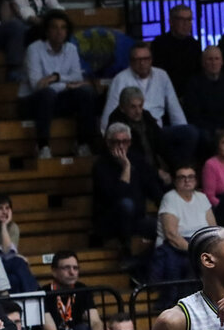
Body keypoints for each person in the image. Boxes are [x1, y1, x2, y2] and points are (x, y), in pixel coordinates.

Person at [101, 42, 198, 168]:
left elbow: (175, 109)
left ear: (151, 60)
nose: (142, 63)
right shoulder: (120, 79)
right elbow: (110, 114)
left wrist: (182, 130)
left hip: (157, 130)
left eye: (146, 59)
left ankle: (181, 173)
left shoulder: (162, 75)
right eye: (138, 59)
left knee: (190, 133)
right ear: (131, 61)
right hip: (133, 131)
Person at [18, 9, 97, 159]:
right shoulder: (34, 49)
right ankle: (43, 146)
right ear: (47, 31)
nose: (59, 32)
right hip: (31, 102)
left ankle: (83, 144)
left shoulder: (71, 49)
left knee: (86, 92)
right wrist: (66, 84)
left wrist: (55, 77)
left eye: (63, 28)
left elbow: (77, 77)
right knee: (47, 94)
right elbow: (37, 85)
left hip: (57, 100)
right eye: (55, 27)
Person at [92, 122, 163, 257]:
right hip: (111, 221)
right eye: (116, 142)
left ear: (130, 143)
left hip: (137, 220)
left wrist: (167, 208)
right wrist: (126, 168)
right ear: (108, 143)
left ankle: (141, 261)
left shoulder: (138, 160)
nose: (121, 146)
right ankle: (126, 249)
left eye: (125, 142)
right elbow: (115, 197)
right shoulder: (100, 166)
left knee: (165, 227)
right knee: (126, 204)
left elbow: (153, 189)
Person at [149, 166, 216, 294]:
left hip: (200, 244)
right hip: (177, 247)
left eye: (190, 177)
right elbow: (172, 235)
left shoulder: (202, 197)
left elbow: (213, 229)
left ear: (196, 181)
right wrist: (195, 251)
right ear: (175, 181)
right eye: (182, 177)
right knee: (190, 265)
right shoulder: (170, 198)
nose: (187, 181)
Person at [41, 250, 103, 330]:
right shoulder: (44, 293)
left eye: (75, 268)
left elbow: (95, 321)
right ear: (54, 271)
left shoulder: (82, 289)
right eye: (66, 268)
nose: (72, 272)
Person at [183, 46, 224, 159]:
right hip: (207, 130)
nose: (213, 62)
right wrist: (216, 130)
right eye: (210, 59)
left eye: (216, 59)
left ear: (222, 62)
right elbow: (193, 115)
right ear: (203, 63)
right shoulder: (194, 84)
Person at [106, 86, 175, 180]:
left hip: (154, 170)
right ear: (122, 108)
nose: (138, 111)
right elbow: (129, 155)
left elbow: (161, 141)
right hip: (131, 174)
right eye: (133, 107)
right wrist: (155, 172)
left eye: (140, 106)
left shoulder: (146, 116)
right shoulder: (116, 123)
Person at [0, 194, 38, 293]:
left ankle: (21, 305)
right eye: (0, 208)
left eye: (7, 208)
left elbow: (7, 252)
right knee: (19, 262)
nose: (4, 212)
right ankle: (34, 295)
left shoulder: (12, 227)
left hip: (6, 267)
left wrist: (4, 226)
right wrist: (17, 256)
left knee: (13, 280)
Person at [150, 4, 201, 96]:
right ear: (171, 22)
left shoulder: (195, 45)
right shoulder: (159, 44)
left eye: (189, 19)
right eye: (181, 19)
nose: (186, 24)